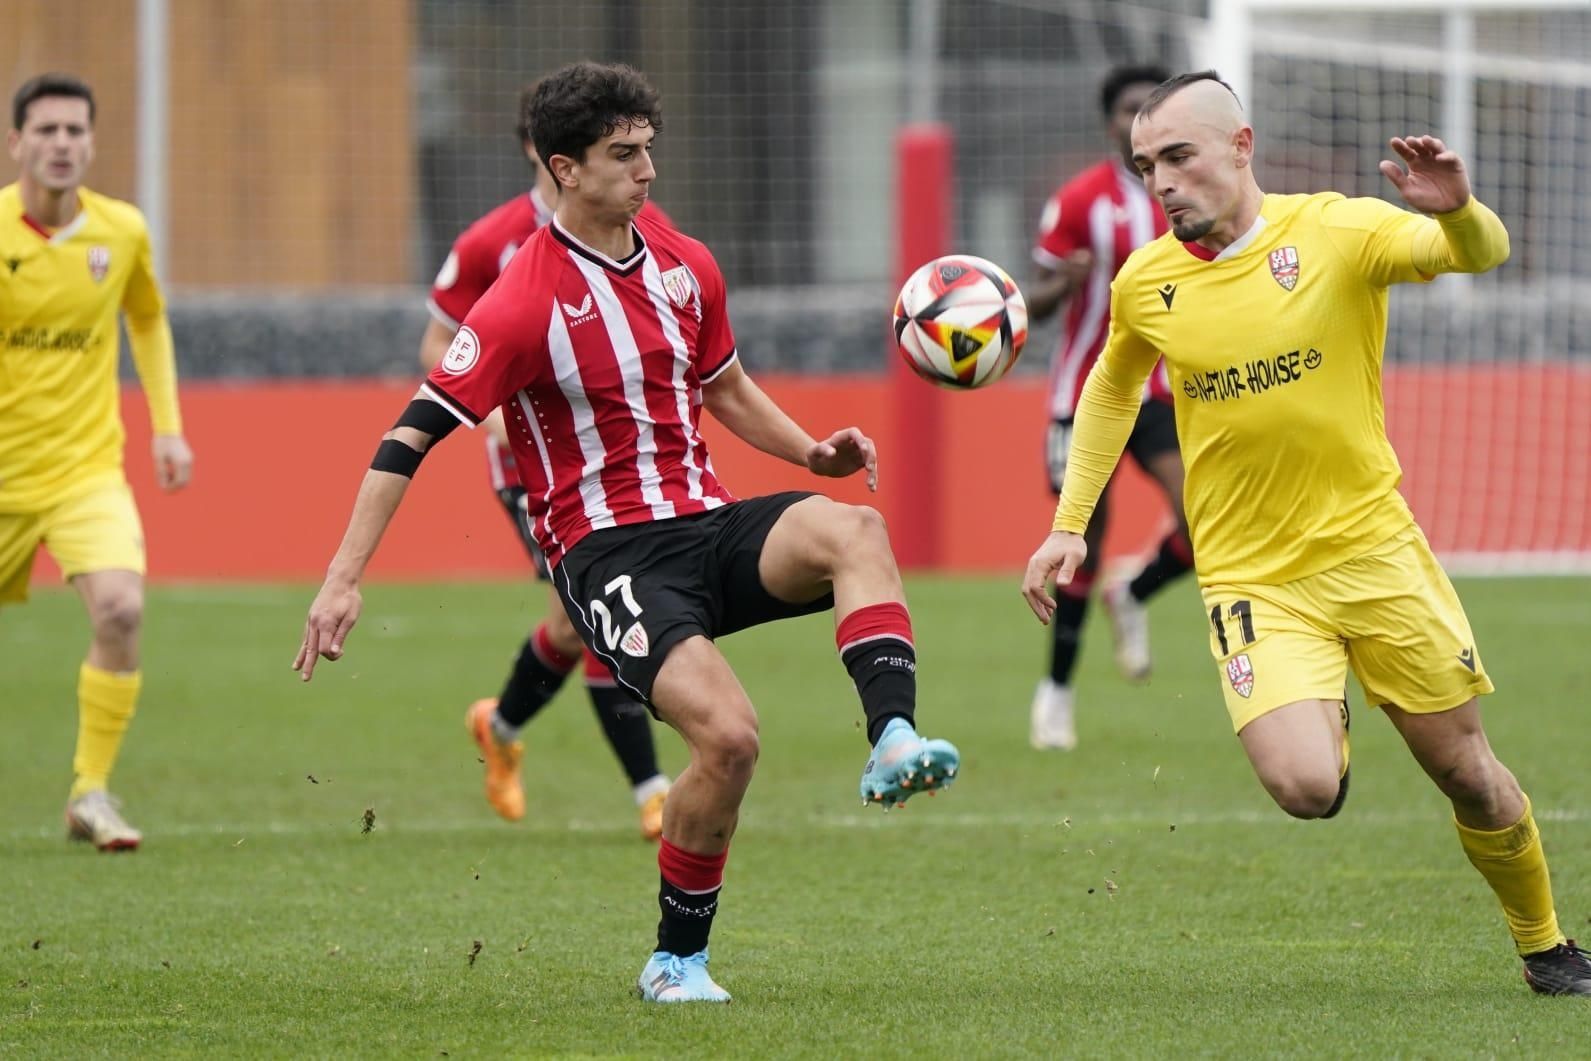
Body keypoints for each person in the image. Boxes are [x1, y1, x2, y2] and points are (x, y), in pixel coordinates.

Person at [296, 61, 960, 1004]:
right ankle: (675, 960)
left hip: (705, 520)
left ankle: (892, 735)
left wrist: (811, 454)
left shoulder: (683, 260)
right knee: (729, 741)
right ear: (564, 168)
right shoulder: (523, 296)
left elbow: (723, 385)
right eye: (622, 154)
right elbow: (411, 433)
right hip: (607, 555)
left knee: (854, 527)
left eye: (649, 147)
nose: (646, 169)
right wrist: (342, 577)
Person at [1021, 71, 1591, 996]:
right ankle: (1322, 715)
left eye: (1177, 157)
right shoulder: (1146, 281)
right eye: (1143, 166)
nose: (1159, 182)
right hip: (1252, 576)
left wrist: (1458, 212)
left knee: (1469, 776)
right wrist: (1068, 526)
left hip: (1373, 555)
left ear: (1240, 148)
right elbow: (1113, 386)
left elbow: (1478, 253)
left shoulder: (1334, 230)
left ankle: (1546, 945)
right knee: (1303, 788)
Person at [420, 84, 672, 841]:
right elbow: (437, 345)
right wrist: (492, 412)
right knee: (599, 615)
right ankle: (652, 789)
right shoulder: (490, 244)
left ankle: (499, 724)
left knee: (573, 623)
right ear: (545, 154)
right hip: (534, 469)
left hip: (619, 461)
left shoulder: (643, 228)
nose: (637, 170)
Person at [0, 74, 194, 851]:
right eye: (44, 131)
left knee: (121, 609)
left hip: (84, 471)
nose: (60, 144)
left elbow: (146, 317)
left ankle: (91, 791)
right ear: (17, 143)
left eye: (74, 131)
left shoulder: (121, 231)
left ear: (91, 142)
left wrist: (167, 427)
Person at [1027, 63, 1193, 751]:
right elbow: (1028, 308)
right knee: (1082, 541)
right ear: (1109, 123)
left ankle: (1133, 594)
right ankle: (1056, 693)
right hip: (1080, 397)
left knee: (1204, 519)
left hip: (1157, 394)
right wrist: (1060, 285)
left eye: (1150, 110)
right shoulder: (1077, 201)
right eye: (1128, 110)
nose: (1138, 122)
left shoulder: (1187, 196)